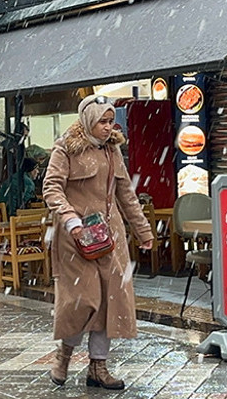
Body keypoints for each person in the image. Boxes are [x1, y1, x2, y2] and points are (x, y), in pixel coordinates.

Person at [42, 94, 153, 390]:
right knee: (83, 301)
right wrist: (70, 218)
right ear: (88, 120)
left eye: (110, 120)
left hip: (110, 236)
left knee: (110, 301)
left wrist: (143, 231)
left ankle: (98, 367)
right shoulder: (65, 148)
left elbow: (125, 193)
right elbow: (52, 187)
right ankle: (63, 356)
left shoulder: (112, 149)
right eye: (102, 121)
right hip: (75, 238)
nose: (108, 127)